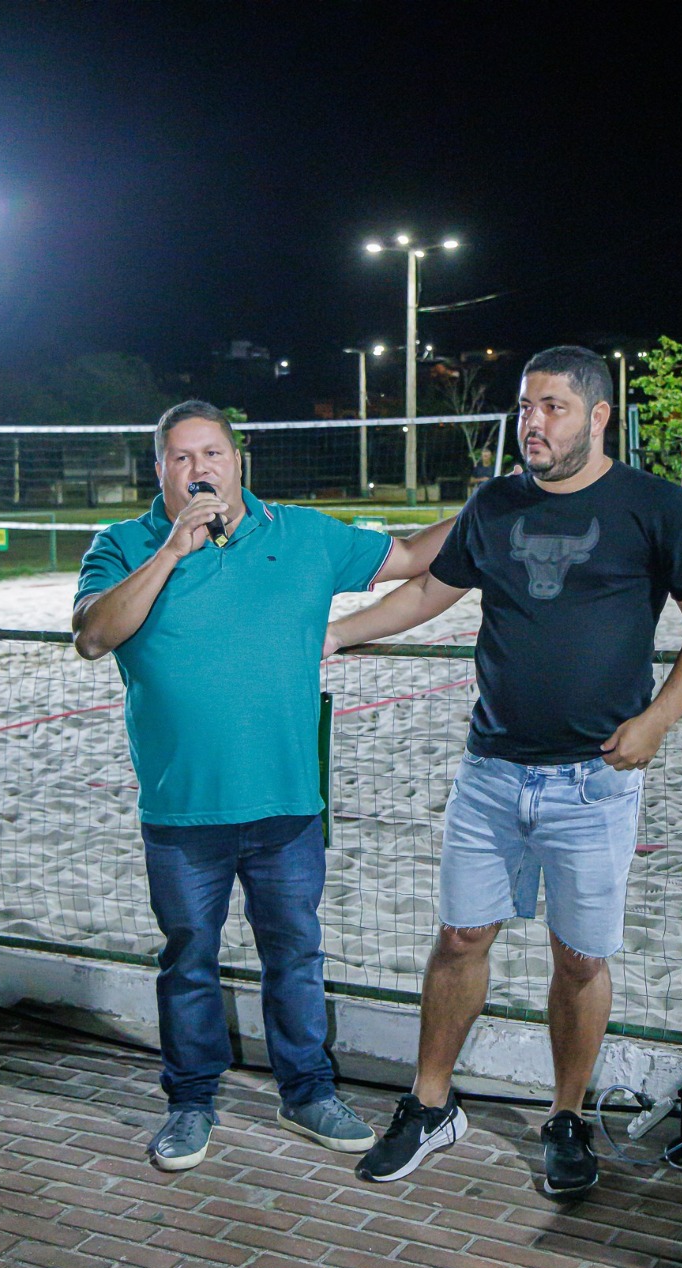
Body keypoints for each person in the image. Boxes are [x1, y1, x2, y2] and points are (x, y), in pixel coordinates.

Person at [324, 346, 682, 1197]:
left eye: (552, 407)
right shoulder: (495, 503)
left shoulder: (655, 506)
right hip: (489, 772)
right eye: (524, 407)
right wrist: (334, 634)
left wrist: (657, 719)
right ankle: (428, 1106)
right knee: (458, 939)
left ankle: (566, 1117)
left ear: (598, 415)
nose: (532, 423)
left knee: (578, 959)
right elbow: (429, 593)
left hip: (594, 781)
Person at [72, 400, 456, 1173]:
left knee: (295, 954)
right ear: (159, 469)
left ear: (237, 461)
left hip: (287, 803)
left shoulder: (302, 534)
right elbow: (92, 635)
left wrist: (500, 501)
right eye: (181, 457)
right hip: (183, 807)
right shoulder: (122, 544)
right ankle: (189, 1103)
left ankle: (306, 1091)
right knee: (188, 960)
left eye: (211, 453)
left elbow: (415, 556)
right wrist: (172, 550)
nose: (199, 469)